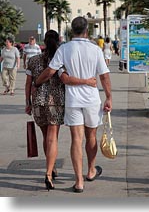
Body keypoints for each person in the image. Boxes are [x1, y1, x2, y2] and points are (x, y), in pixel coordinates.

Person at [35, 17, 112, 193]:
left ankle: (79, 182)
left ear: (72, 31)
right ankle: (91, 171)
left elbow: (50, 71)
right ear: (86, 30)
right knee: (91, 136)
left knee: (76, 139)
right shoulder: (95, 49)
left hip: (73, 100)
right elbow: (104, 76)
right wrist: (109, 97)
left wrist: (37, 82)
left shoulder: (64, 48)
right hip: (92, 99)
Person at [25, 30, 96, 191]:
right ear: (58, 41)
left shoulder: (33, 60)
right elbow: (64, 78)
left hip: (38, 103)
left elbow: (28, 83)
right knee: (53, 138)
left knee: (46, 138)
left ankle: (52, 168)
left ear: (43, 41)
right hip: (55, 103)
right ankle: (49, 173)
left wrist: (27, 102)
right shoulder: (60, 58)